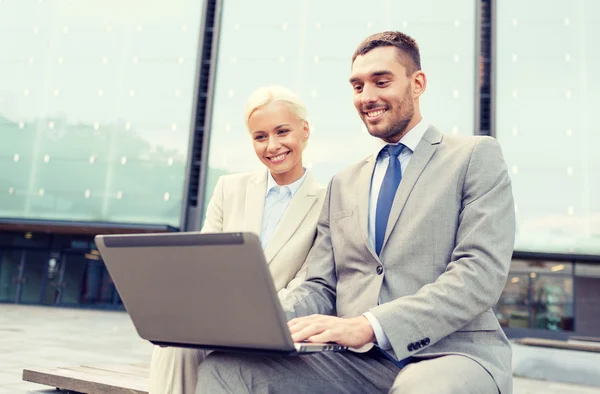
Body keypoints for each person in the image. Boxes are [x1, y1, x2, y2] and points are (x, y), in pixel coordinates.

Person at [195, 31, 516, 394]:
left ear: (418, 83)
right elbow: (320, 285)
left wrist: (369, 324)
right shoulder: (342, 184)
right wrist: (256, 320)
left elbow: (479, 275)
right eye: (358, 86)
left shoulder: (474, 156)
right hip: (355, 361)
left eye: (381, 82)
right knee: (225, 368)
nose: (367, 97)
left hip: (451, 355)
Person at [148, 85, 326, 393]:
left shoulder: (328, 202)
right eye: (260, 137)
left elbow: (310, 282)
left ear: (305, 131)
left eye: (282, 131)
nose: (272, 146)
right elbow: (203, 266)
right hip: (216, 320)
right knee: (174, 346)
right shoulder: (229, 189)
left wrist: (251, 318)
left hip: (278, 329)